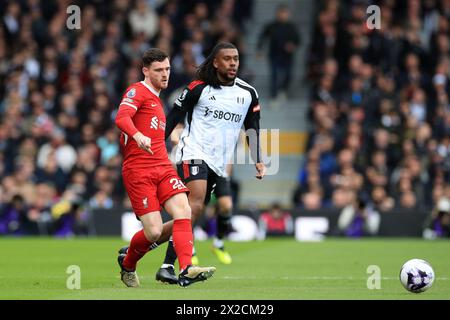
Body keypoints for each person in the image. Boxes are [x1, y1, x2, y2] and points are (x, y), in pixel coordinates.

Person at [155, 42, 266, 284]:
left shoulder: (248, 93)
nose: (233, 63)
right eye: (227, 59)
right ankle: (169, 266)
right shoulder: (198, 88)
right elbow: (173, 118)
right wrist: (155, 148)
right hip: (192, 152)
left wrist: (258, 159)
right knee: (193, 207)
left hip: (218, 163)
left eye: (235, 59)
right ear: (215, 62)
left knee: (190, 215)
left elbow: (252, 129)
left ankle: (137, 247)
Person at [114, 48, 216, 288]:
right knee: (153, 232)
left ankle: (186, 268)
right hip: (138, 170)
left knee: (184, 210)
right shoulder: (136, 91)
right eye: (159, 70)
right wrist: (137, 135)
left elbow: (155, 133)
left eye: (167, 69)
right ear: (145, 71)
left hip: (162, 166)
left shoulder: (158, 101)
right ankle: (128, 264)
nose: (165, 74)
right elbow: (121, 118)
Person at [257, 4, 300, 101]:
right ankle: (274, 96)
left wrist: (293, 46)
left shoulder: (292, 27)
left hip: (288, 56)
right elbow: (262, 37)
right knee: (274, 75)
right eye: (281, 13)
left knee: (289, 74)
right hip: (274, 55)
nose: (283, 15)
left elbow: (298, 40)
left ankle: (283, 90)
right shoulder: (271, 26)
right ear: (277, 14)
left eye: (285, 13)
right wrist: (259, 50)